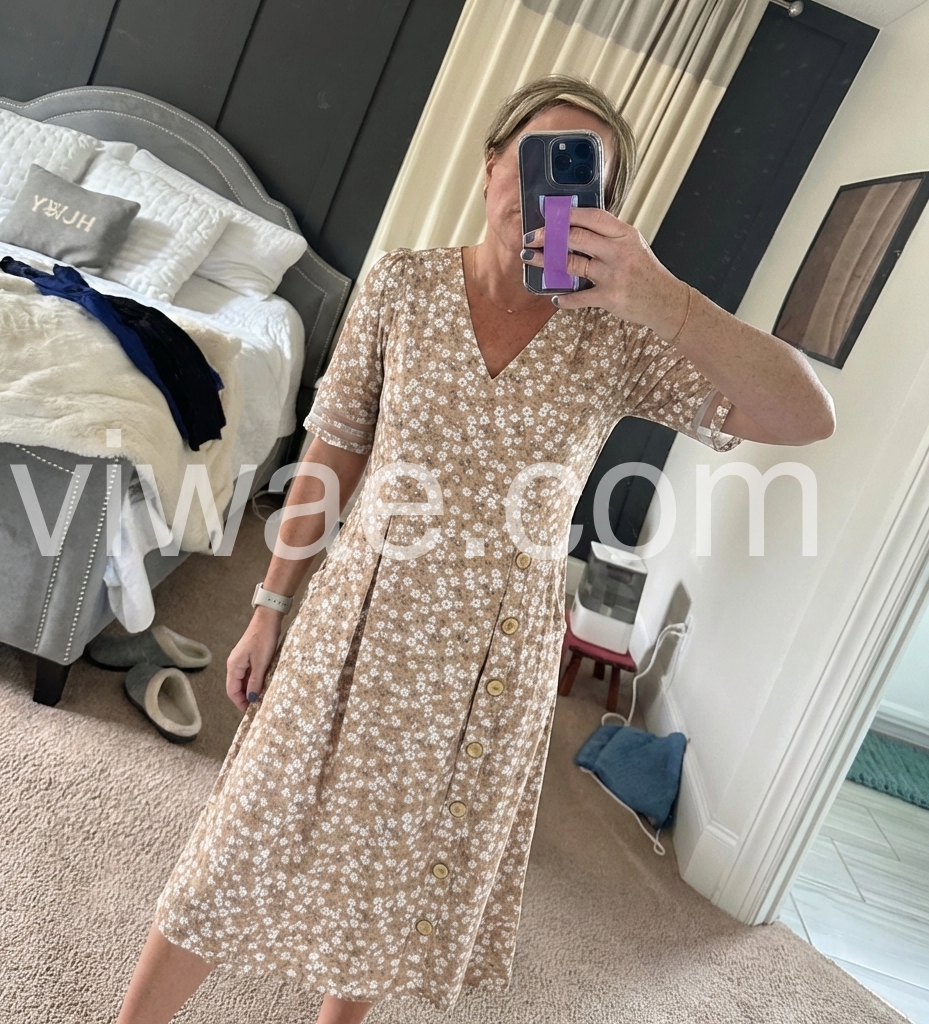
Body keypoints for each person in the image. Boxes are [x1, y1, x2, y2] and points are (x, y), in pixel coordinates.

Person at [115, 75, 835, 1024]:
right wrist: (269, 606)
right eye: (535, 158)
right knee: (242, 841)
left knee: (397, 868)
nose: (545, 189)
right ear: (492, 164)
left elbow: (804, 415)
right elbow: (333, 452)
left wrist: (660, 296)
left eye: (579, 176)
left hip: (492, 656)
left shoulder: (621, 335)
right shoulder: (403, 286)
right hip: (360, 615)